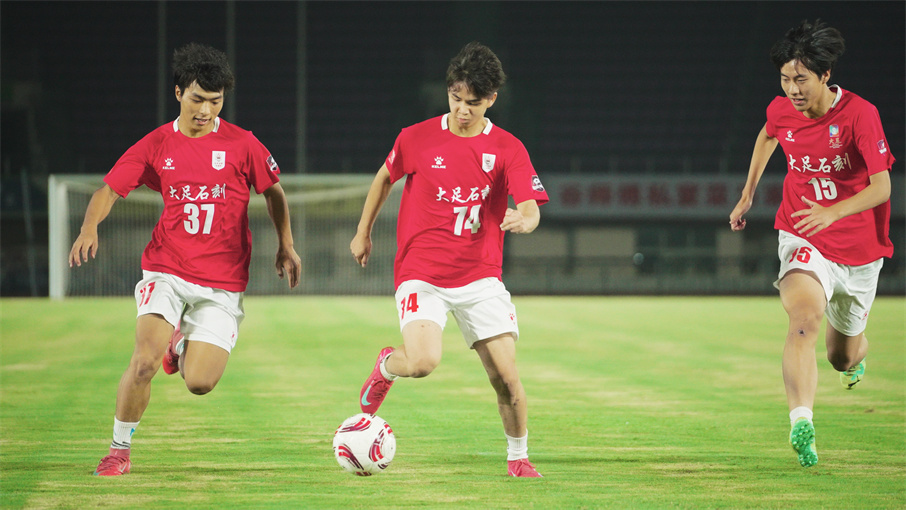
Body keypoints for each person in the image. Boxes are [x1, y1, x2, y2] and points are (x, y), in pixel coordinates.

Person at [69, 43, 302, 476]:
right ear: (178, 93)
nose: (206, 110)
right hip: (167, 268)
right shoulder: (157, 143)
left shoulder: (243, 144)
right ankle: (119, 451)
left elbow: (273, 191)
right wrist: (89, 227)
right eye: (197, 99)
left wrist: (285, 244)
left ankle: (179, 343)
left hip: (223, 280)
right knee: (144, 362)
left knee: (199, 383)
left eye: (215, 101)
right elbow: (110, 190)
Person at [350, 42, 549, 477]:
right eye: (455, 98)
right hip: (421, 273)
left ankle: (518, 458)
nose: (462, 110)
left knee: (506, 378)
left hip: (480, 276)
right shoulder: (415, 137)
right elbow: (384, 177)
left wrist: (526, 218)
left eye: (472, 103)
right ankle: (387, 365)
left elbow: (530, 205)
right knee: (422, 363)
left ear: (491, 99)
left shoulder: (508, 148)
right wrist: (363, 232)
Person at [729, 20, 894, 468]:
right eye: (785, 79)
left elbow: (882, 187)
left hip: (859, 251)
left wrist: (834, 212)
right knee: (803, 320)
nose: (792, 89)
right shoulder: (782, 109)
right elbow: (768, 134)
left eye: (800, 79)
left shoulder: (860, 114)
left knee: (841, 356)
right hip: (802, 232)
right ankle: (801, 419)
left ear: (825, 75)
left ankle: (855, 357)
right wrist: (748, 194)